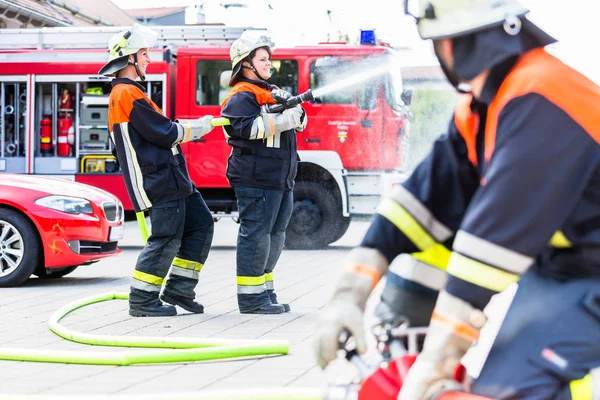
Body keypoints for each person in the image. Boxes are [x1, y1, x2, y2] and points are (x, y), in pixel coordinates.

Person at [313, 0, 600, 398]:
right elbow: (419, 204)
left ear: (451, 43)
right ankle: (410, 332)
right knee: (498, 375)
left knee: (512, 388)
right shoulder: (488, 107)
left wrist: (435, 363)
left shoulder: (542, 101)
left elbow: (491, 246)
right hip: (568, 267)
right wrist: (349, 294)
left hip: (586, 273)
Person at [99, 24, 216, 317]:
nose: (148, 59)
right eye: (144, 53)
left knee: (201, 225)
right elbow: (165, 133)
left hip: (174, 178)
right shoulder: (126, 93)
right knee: (165, 238)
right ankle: (142, 299)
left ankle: (179, 289)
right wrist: (201, 125)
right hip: (160, 180)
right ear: (129, 59)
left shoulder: (130, 93)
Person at [220, 30, 307, 314]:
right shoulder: (240, 96)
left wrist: (297, 114)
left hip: (279, 177)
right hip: (256, 177)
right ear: (246, 63)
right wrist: (285, 119)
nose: (269, 63)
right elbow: (244, 128)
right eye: (263, 58)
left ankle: (264, 292)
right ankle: (251, 299)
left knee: (275, 235)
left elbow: (298, 121)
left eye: (269, 58)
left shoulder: (270, 91)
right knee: (256, 234)